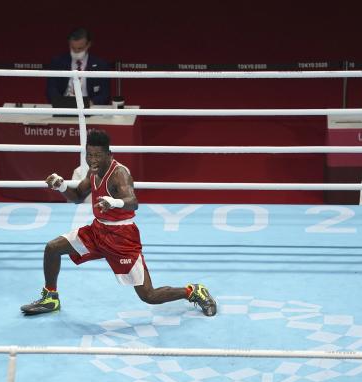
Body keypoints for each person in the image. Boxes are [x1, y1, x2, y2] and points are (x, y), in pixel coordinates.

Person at [20, 130, 217, 317]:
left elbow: (133, 201)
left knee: (148, 295)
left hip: (122, 238)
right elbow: (79, 196)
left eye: (97, 155)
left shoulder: (119, 174)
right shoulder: (93, 171)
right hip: (98, 231)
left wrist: (114, 202)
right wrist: (61, 186)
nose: (93, 160)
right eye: (89, 155)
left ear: (109, 154)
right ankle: (50, 298)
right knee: (52, 248)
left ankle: (193, 291)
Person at [46, 27, 111, 106]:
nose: (76, 52)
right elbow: (51, 89)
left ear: (88, 45)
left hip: (90, 107)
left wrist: (90, 103)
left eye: (80, 48)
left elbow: (105, 94)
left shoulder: (101, 65)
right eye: (73, 48)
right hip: (64, 106)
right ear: (69, 44)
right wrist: (59, 103)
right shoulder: (58, 62)